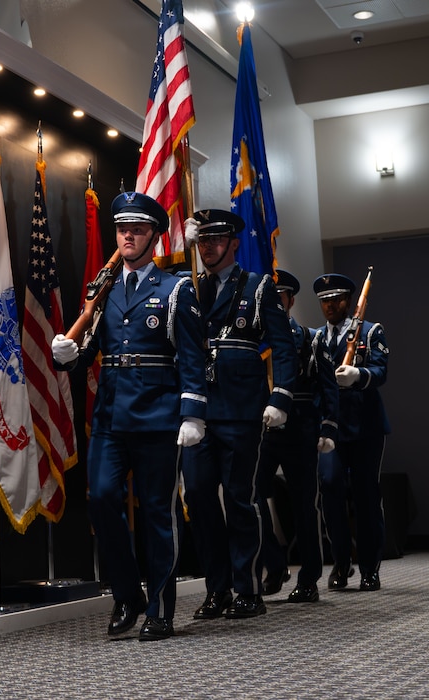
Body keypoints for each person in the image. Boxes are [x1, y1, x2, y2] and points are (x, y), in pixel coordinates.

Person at [51, 192, 208, 641]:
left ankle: (159, 608)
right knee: (100, 500)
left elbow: (192, 358)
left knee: (159, 513)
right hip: (111, 415)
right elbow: (88, 353)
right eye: (122, 229)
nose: (128, 236)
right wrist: (68, 355)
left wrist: (192, 414)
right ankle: (128, 594)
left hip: (159, 417)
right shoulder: (102, 290)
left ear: (153, 237)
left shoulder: (175, 289)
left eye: (138, 229)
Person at [181, 209, 297, 620]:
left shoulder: (258, 286)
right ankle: (217, 589)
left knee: (239, 499)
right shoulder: (188, 287)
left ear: (233, 243)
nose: (209, 247)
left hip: (243, 410)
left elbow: (283, 346)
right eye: (203, 241)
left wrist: (280, 397)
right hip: (198, 411)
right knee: (197, 496)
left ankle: (247, 587)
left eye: (217, 240)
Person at [257, 269, 340, 603]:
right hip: (260, 430)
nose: (275, 303)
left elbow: (327, 385)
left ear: (290, 301)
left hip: (299, 428)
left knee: (305, 505)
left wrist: (328, 426)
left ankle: (308, 577)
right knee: (250, 498)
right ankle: (274, 565)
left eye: (281, 297)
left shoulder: (308, 338)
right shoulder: (254, 338)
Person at [313, 273, 390, 592]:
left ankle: (370, 567)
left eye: (337, 299)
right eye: (325, 301)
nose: (330, 306)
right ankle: (341, 562)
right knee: (329, 490)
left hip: (365, 426)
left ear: (349, 300)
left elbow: (382, 371)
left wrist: (358, 374)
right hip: (330, 427)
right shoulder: (316, 337)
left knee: (366, 496)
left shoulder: (371, 331)